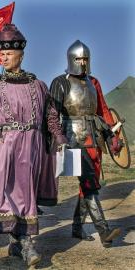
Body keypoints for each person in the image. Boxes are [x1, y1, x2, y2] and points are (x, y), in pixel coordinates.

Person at [0, 24, 67, 266]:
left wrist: (59, 138)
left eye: (8, 53)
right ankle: (27, 246)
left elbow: (50, 115)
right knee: (11, 195)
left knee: (27, 194)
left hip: (33, 146)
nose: (3, 57)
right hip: (5, 146)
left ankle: (16, 243)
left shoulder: (38, 85)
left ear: (21, 54)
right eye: (1, 53)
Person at [49, 40, 122, 247]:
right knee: (89, 184)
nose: (82, 62)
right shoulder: (60, 82)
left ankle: (77, 227)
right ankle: (104, 231)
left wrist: (111, 137)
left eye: (85, 58)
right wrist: (53, 141)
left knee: (88, 184)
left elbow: (102, 112)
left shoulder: (93, 82)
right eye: (79, 58)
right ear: (71, 59)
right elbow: (52, 113)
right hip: (72, 139)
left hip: (94, 137)